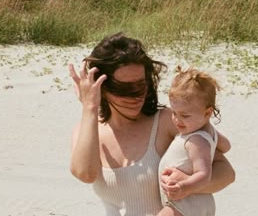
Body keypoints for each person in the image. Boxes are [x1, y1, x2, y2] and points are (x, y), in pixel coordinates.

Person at [69, 32, 235, 216]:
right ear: (102, 87)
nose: (136, 96)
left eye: (141, 85)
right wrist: (90, 107)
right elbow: (85, 174)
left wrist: (187, 185)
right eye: (124, 89)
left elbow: (226, 173)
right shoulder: (87, 129)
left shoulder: (169, 121)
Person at [157, 67, 231, 216]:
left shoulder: (196, 140)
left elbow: (204, 174)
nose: (176, 120)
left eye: (185, 115)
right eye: (174, 113)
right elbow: (226, 146)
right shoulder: (208, 132)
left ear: (207, 113)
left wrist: (183, 187)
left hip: (185, 203)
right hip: (195, 203)